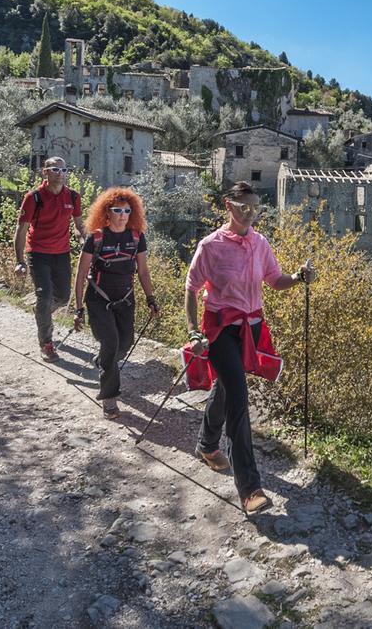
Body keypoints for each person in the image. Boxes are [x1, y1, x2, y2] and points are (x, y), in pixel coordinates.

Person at [184, 181, 314, 513]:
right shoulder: (211, 246)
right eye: (244, 207)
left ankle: (206, 444)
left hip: (251, 328)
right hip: (220, 329)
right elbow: (192, 288)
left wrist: (298, 278)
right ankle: (250, 489)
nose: (250, 213)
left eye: (255, 207)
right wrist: (193, 331)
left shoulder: (260, 243)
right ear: (228, 206)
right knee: (239, 398)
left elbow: (274, 281)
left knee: (227, 387)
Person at [71, 187, 159, 419]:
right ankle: (109, 397)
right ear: (106, 212)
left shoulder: (137, 237)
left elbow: (143, 271)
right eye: (117, 210)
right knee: (110, 342)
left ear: (133, 213)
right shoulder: (96, 238)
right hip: (99, 299)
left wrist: (151, 299)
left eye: (127, 210)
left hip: (126, 299)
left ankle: (103, 361)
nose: (122, 215)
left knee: (125, 342)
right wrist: (78, 308)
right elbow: (80, 275)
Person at [14, 157, 85, 361]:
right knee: (45, 297)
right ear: (45, 172)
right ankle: (46, 343)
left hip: (61, 253)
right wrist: (20, 261)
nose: (61, 173)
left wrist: (83, 240)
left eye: (65, 169)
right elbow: (21, 230)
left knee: (63, 297)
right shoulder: (34, 197)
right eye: (55, 169)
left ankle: (41, 311)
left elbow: (79, 226)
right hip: (37, 252)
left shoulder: (72, 197)